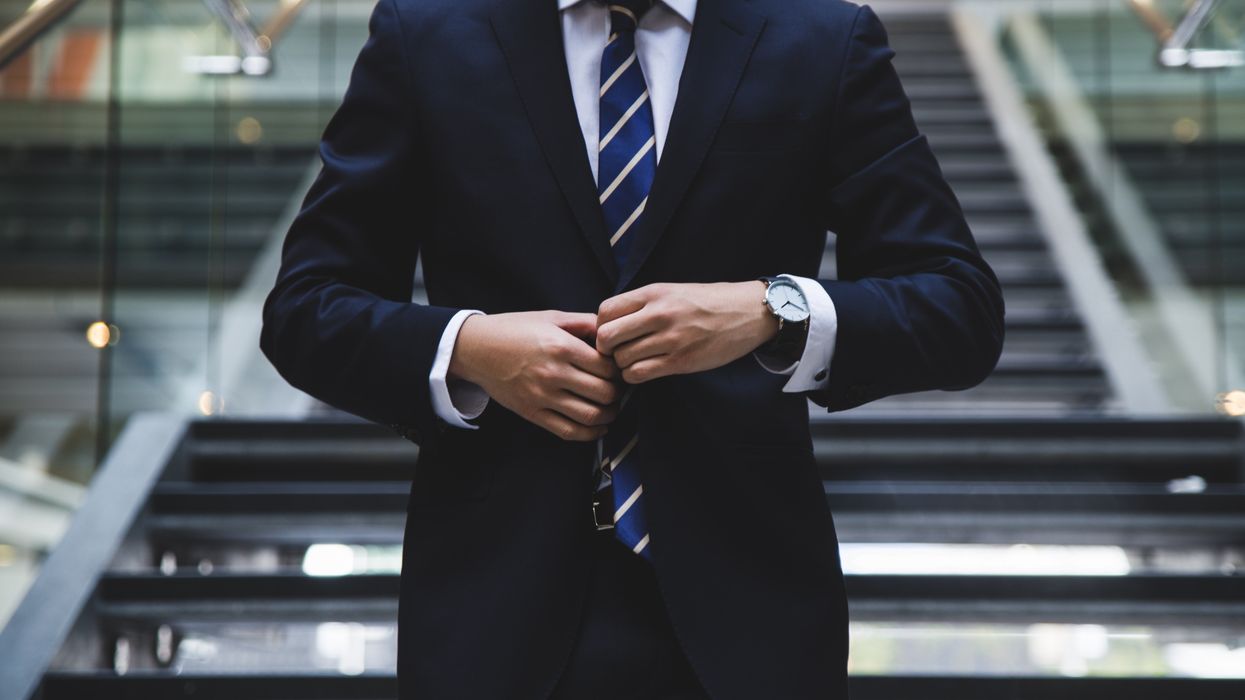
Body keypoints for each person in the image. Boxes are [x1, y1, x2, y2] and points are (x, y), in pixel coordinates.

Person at [261, 0, 1005, 697]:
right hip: (489, 606)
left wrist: (771, 308)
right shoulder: (424, 31)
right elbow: (305, 309)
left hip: (751, 613)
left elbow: (957, 306)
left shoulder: (820, 39)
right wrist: (467, 347)